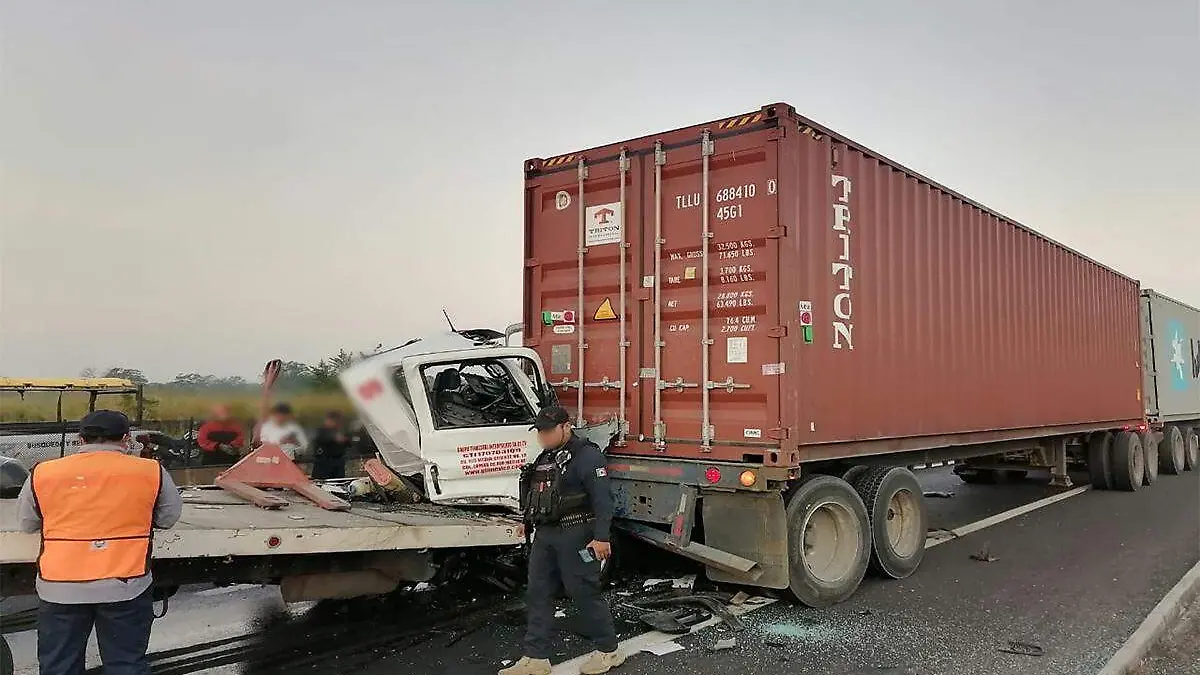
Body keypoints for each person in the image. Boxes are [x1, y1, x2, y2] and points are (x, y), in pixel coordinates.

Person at [16, 410, 183, 675]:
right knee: (126, 665)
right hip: (125, 584)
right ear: (126, 439)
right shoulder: (151, 471)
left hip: (60, 588)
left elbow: (26, 523)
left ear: (80, 439)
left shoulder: (44, 472)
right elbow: (168, 518)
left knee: (59, 666)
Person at [501, 405, 622, 675]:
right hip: (546, 535)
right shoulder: (547, 456)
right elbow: (540, 493)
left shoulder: (587, 456)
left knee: (584, 592)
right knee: (538, 592)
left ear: (566, 427)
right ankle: (536, 657)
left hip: (577, 534)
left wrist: (602, 537)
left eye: (548, 431)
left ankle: (608, 650)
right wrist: (527, 522)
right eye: (540, 432)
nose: (542, 437)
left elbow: (604, 500)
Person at [310, 411, 350, 480]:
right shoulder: (321, 431)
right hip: (323, 468)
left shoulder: (339, 432)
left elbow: (347, 443)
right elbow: (327, 437)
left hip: (337, 467)